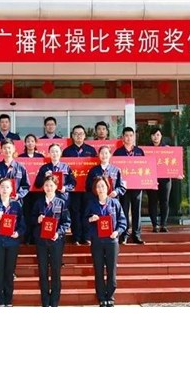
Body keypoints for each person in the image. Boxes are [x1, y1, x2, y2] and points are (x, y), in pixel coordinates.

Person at [84, 176, 127, 307]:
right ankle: (101, 297)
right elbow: (84, 221)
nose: (101, 189)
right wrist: (90, 219)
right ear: (95, 189)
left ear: (108, 187)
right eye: (98, 186)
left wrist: (117, 232)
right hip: (97, 241)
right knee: (98, 270)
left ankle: (110, 296)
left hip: (111, 241)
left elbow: (123, 221)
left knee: (111, 270)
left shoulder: (115, 203)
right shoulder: (91, 204)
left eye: (103, 186)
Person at [0, 178, 26, 306]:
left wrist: (18, 233)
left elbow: (22, 225)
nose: (4, 189)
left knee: (9, 271)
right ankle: (0, 301)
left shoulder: (16, 205)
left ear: (12, 189)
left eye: (7, 187)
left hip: (12, 243)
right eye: (2, 187)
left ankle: (8, 300)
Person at [31, 175, 71, 307]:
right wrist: (37, 219)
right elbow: (31, 219)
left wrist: (58, 233)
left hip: (56, 241)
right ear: (43, 187)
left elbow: (66, 222)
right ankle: (45, 300)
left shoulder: (61, 202)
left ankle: (54, 301)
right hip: (41, 241)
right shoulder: (38, 202)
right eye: (46, 185)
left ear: (56, 187)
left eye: (51, 185)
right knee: (43, 271)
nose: (49, 188)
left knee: (55, 271)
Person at [62, 125, 97, 245]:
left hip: (88, 187)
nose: (78, 136)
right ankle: (76, 237)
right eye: (76, 134)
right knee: (75, 212)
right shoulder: (67, 151)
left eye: (81, 134)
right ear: (72, 136)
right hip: (73, 188)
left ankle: (86, 237)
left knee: (87, 211)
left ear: (85, 135)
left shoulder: (91, 150)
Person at [113, 126, 145, 244]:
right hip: (123, 187)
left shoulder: (139, 152)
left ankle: (136, 234)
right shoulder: (118, 152)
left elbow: (145, 168)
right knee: (124, 210)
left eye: (131, 135)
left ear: (134, 137)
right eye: (126, 135)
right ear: (122, 138)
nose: (129, 138)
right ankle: (124, 234)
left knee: (137, 210)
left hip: (137, 185)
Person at [0, 139, 30, 203]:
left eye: (9, 148)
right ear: (1, 150)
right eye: (4, 148)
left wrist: (19, 195)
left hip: (15, 202)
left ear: (14, 149)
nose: (7, 150)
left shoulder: (21, 168)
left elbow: (26, 186)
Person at [147, 127, 172, 233]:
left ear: (161, 136)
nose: (155, 137)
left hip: (165, 179)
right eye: (153, 135)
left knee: (164, 201)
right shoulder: (146, 150)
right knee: (152, 201)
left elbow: (174, 163)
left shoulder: (167, 149)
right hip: (151, 179)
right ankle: (155, 225)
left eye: (158, 135)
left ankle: (163, 224)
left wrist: (178, 173)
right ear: (150, 136)